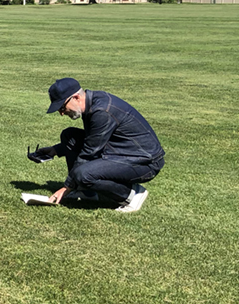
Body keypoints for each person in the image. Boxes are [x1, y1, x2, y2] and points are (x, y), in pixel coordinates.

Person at [29, 77, 165, 212]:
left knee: (83, 174)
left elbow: (89, 152)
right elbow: (92, 139)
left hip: (144, 162)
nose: (61, 113)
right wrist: (55, 150)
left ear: (76, 97)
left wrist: (66, 187)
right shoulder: (92, 102)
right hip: (121, 151)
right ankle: (86, 193)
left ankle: (132, 194)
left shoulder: (102, 111)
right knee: (69, 135)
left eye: (62, 107)